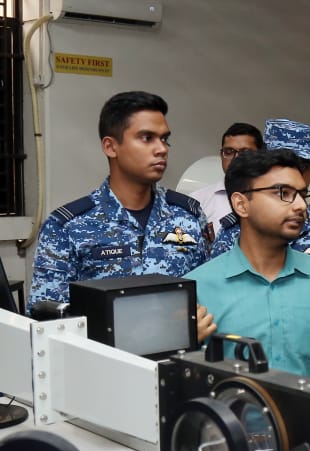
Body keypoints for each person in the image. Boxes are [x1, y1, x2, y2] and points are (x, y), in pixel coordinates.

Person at [185, 149, 310, 377]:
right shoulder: (197, 288)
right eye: (283, 193)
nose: (300, 206)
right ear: (241, 204)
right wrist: (187, 345)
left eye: (302, 194)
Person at [29, 91, 209, 309]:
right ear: (110, 147)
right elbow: (45, 314)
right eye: (147, 138)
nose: (162, 149)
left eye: (164, 139)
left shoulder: (187, 215)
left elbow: (210, 294)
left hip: (181, 332)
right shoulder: (67, 227)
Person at [211, 119, 310, 331]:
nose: (291, 172)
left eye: (300, 165)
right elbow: (213, 304)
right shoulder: (235, 229)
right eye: (278, 163)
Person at [190, 122, 265, 237]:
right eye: (229, 152)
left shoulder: (273, 198)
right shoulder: (197, 201)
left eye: (245, 153)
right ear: (221, 155)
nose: (236, 158)